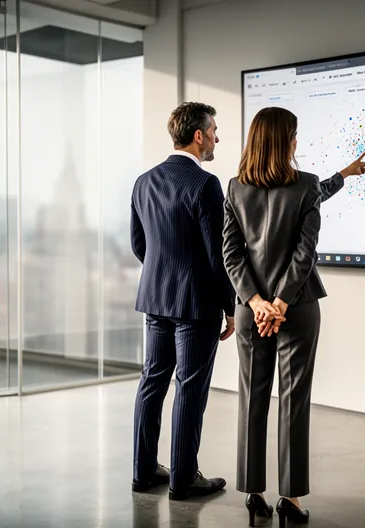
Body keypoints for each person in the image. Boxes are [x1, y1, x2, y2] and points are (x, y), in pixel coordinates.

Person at [222, 106, 365, 526]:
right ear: (286, 141)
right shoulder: (305, 187)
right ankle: (291, 499)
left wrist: (255, 301)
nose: (298, 142)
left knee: (252, 399)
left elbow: (230, 254)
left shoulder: (234, 188)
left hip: (251, 313)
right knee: (294, 399)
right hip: (298, 308)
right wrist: (281, 303)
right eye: (295, 135)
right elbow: (306, 254)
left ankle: (253, 493)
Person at [130, 102, 235, 501]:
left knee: (151, 383)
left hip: (155, 299)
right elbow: (216, 254)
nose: (216, 138)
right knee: (190, 387)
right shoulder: (205, 184)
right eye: (213, 131)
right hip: (196, 305)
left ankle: (142, 472)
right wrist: (230, 305)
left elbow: (140, 244)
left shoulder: (143, 181)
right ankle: (183, 478)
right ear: (198, 136)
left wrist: (163, 275)